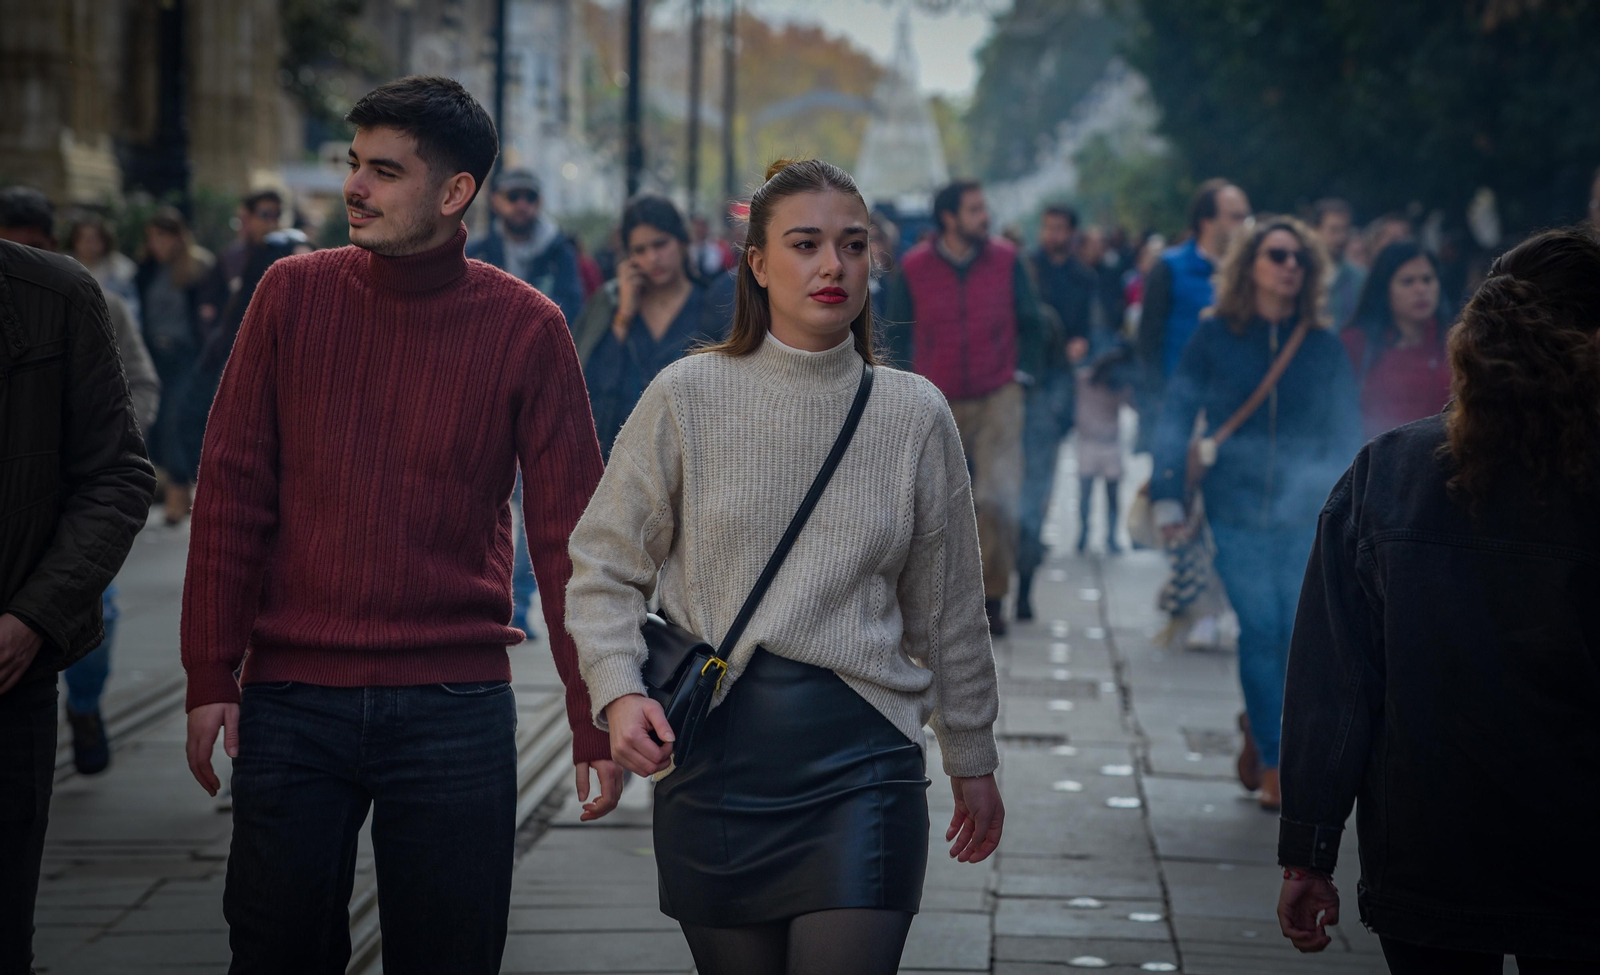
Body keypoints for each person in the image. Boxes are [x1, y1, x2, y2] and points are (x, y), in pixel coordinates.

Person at [180, 76, 619, 974]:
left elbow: (574, 536)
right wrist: (207, 669)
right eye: (354, 165)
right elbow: (232, 488)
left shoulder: (526, 326)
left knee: (450, 956)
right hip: (293, 698)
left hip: (452, 703)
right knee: (273, 951)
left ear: (455, 191)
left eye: (384, 171)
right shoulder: (290, 295)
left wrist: (592, 713)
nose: (354, 188)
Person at [566, 157, 1003, 975]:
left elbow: (949, 611)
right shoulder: (686, 395)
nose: (832, 266)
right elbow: (604, 563)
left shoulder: (914, 413)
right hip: (719, 764)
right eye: (805, 244)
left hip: (865, 763)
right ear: (758, 263)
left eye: (853, 244)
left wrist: (971, 755)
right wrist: (618, 690)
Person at [1276, 228, 1600, 973]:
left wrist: (1308, 850)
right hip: (1580, 848)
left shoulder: (1390, 470)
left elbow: (1335, 682)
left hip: (1428, 844)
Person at [1150, 216, 1360, 811]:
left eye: (1299, 258)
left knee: (1295, 635)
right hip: (1233, 506)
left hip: (1306, 512)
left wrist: (1349, 503)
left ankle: (1270, 733)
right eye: (1277, 255)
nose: (1289, 266)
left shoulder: (1321, 344)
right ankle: (1273, 758)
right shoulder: (1215, 336)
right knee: (1262, 626)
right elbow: (1176, 412)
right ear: (1251, 265)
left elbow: (1345, 427)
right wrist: (1169, 493)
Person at [0, 231, 155, 974]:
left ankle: (87, 706)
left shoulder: (57, 298)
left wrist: (33, 617)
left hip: (10, 669)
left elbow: (118, 474)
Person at [0, 188, 162, 779]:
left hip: (68, 514)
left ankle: (87, 708)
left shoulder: (83, 297)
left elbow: (139, 387)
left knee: (101, 612)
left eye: (33, 246)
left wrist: (115, 426)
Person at [882, 179, 1049, 635]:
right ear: (949, 218)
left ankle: (993, 598)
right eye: (975, 209)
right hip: (936, 395)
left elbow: (1033, 325)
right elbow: (894, 331)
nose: (985, 216)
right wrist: (900, 385)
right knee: (930, 501)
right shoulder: (914, 267)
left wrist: (1022, 377)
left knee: (997, 496)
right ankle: (930, 601)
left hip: (999, 392)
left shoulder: (1008, 260)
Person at [1135, 179, 1252, 649]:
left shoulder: (1250, 272)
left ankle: (1220, 605)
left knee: (1224, 510)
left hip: (1231, 413)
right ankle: (1195, 607)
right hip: (1178, 408)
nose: (1244, 224)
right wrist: (1156, 409)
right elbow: (1148, 341)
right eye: (1234, 215)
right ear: (1208, 221)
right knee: (1178, 510)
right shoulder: (1170, 268)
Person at [570, 194, 722, 459]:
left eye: (660, 244)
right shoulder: (608, 305)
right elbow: (589, 390)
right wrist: (623, 316)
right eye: (640, 250)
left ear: (682, 242)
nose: (652, 257)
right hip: (622, 464)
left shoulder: (713, 305)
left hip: (695, 460)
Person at [1017, 204, 1092, 618]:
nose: (1052, 234)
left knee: (1032, 501)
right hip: (1013, 403)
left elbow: (1086, 333)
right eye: (1047, 227)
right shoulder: (1029, 267)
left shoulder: (1082, 278)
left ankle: (1025, 580)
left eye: (1060, 228)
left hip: (1047, 403)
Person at [135, 206, 214, 525]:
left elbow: (208, 317)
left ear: (178, 237)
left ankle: (179, 493)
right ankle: (173, 487)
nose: (159, 244)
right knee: (153, 421)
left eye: (164, 237)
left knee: (175, 420)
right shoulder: (145, 269)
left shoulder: (198, 266)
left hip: (186, 354)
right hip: (152, 354)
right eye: (153, 238)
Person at [1342, 241, 1454, 439]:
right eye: (1407, 281)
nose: (1421, 289)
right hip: (1380, 462)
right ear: (1385, 289)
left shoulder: (1455, 342)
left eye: (1427, 279)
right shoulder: (1356, 344)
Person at [467, 167, 584, 326]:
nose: (521, 205)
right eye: (513, 196)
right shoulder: (477, 254)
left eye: (530, 197)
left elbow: (571, 307)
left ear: (539, 201)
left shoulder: (561, 253)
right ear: (495, 201)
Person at [1075, 344, 1137, 555]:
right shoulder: (1083, 380)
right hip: (1088, 443)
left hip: (1110, 444)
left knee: (1112, 496)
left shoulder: (1120, 387)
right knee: (1085, 495)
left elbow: (1134, 406)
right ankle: (1083, 534)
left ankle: (1110, 537)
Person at [65, 211, 141, 318]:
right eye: (84, 238)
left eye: (94, 238)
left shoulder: (120, 270)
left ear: (104, 240)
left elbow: (131, 310)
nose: (89, 244)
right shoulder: (64, 266)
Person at [1312, 198, 1365, 331]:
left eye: (1345, 230)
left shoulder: (1361, 279)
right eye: (1334, 230)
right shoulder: (1299, 274)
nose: (1341, 238)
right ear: (1315, 231)